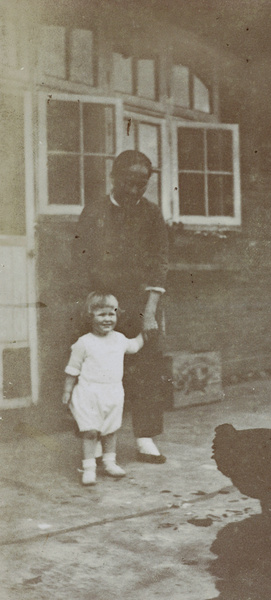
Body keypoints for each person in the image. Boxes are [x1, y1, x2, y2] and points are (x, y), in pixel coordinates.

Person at [73, 150, 169, 463]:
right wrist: (92, 304)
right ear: (115, 178)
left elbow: (159, 262)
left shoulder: (152, 214)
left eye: (143, 182)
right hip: (101, 303)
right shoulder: (95, 212)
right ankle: (96, 438)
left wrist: (151, 311)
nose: (135, 188)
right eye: (130, 181)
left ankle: (145, 437)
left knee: (146, 369)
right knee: (98, 371)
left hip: (141, 303)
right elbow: (81, 258)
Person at [63, 292, 144, 486]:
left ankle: (109, 462)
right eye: (101, 314)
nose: (107, 319)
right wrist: (67, 392)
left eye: (111, 314)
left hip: (113, 392)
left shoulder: (119, 339)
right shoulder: (84, 343)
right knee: (90, 431)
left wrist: (146, 332)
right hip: (89, 393)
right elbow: (72, 370)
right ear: (90, 316)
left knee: (110, 430)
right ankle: (89, 468)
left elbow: (135, 346)